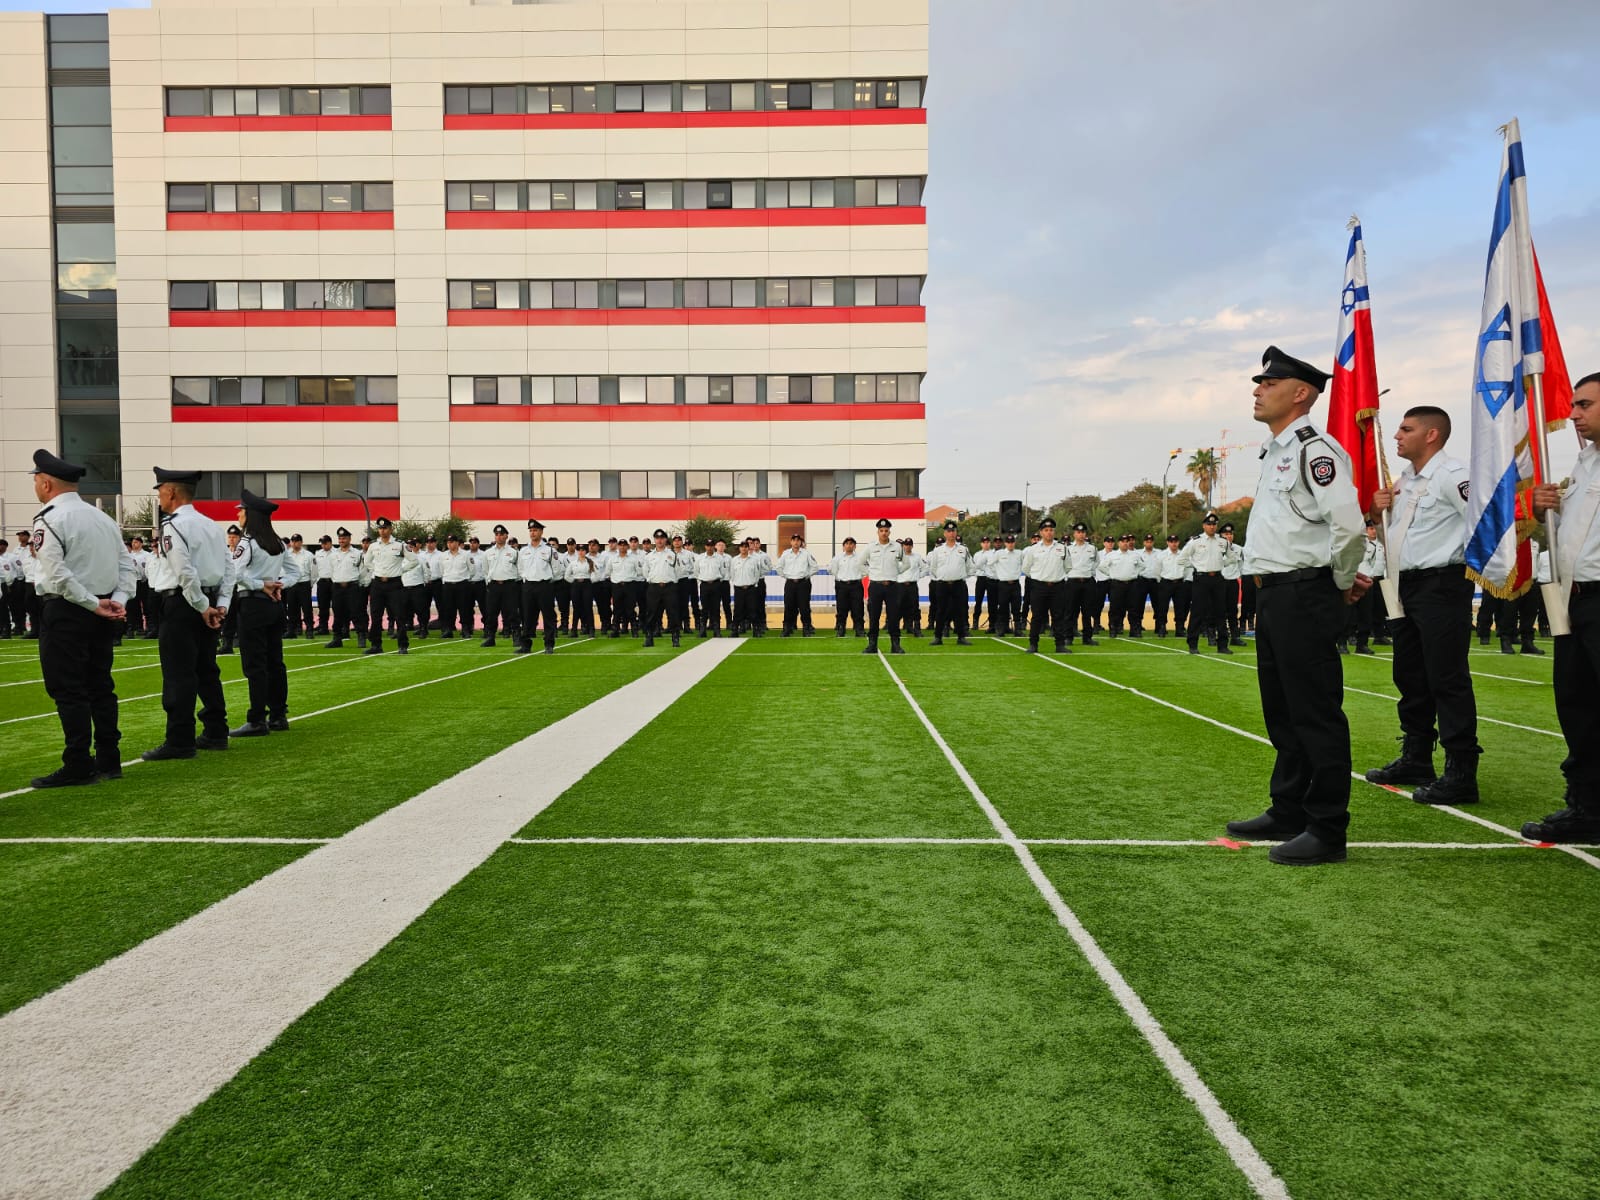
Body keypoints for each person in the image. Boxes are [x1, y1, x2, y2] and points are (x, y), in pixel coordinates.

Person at [1225, 346, 1368, 866]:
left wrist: (1341, 582)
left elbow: (1348, 526)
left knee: (1315, 713)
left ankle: (1327, 828)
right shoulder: (1277, 452)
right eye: (1259, 382)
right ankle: (1288, 807)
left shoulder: (1315, 450)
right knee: (1282, 711)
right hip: (1275, 594)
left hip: (1305, 592)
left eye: (1269, 381)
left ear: (1300, 393)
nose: (1258, 389)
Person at [1362, 406, 1480, 804]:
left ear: (1432, 435)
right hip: (1403, 585)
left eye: (1406, 429)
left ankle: (1461, 768)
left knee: (1446, 676)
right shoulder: (1405, 481)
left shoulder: (1452, 475)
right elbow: (1396, 536)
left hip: (1441, 583)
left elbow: (1481, 521)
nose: (1396, 435)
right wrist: (1381, 511)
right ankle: (1416, 755)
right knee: (1410, 674)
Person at [26, 449, 134, 788]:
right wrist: (115, 601)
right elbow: (126, 566)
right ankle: (109, 758)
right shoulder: (102, 518)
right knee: (100, 685)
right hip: (100, 611)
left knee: (69, 688)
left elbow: (56, 574)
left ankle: (78, 761)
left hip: (69, 610)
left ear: (45, 483)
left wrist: (92, 603)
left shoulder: (50, 518)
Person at [1525, 369, 1600, 841]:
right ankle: (1588, 806)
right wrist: (1541, 512)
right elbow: (1560, 540)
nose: (1573, 414)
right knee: (1579, 707)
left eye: (1585, 405)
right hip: (1574, 600)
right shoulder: (1585, 463)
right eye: (1573, 404)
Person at [143, 466, 236, 761]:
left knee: (178, 673)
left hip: (185, 604)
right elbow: (229, 569)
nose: (158, 496)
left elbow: (184, 571)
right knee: (207, 670)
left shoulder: (174, 526)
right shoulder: (211, 525)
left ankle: (180, 739)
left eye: (160, 490)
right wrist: (220, 605)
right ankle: (216, 731)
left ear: (170, 491)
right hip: (207, 600)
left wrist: (201, 606)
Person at [228, 489, 298, 736]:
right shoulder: (277, 542)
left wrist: (262, 585)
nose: (239, 514)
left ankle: (257, 718)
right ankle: (278, 715)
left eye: (242, 511)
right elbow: (294, 573)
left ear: (251, 515)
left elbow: (235, 573)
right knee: (275, 662)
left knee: (255, 664)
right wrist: (278, 585)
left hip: (253, 605)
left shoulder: (248, 542)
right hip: (274, 606)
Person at [1178, 513, 1232, 654]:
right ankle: (1193, 644)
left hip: (1218, 579)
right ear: (1204, 525)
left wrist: (1221, 564)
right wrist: (1196, 565)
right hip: (1201, 579)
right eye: (1209, 524)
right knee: (1197, 612)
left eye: (1214, 524)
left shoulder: (1223, 541)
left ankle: (1223, 645)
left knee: (1221, 612)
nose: (1212, 526)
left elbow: (1231, 558)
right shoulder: (1196, 541)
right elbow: (1181, 559)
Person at [1021, 517, 1071, 654]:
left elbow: (1068, 567)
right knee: (1037, 616)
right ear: (1041, 532)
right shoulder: (1033, 549)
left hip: (1057, 587)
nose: (1049, 533)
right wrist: (1039, 578)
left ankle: (1060, 645)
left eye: (1051, 530)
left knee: (1058, 616)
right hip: (1039, 587)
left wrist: (1056, 577)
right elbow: (1026, 568)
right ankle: (1033, 644)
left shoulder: (1062, 548)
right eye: (1046, 530)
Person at [925, 519, 974, 645]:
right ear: (944, 534)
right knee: (941, 610)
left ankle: (961, 637)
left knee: (960, 610)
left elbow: (970, 567)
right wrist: (942, 576)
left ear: (956, 533)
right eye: (948, 531)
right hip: (943, 584)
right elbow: (933, 568)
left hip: (958, 584)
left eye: (953, 531)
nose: (951, 533)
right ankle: (938, 637)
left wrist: (961, 575)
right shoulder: (938, 550)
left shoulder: (963, 549)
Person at [515, 518, 560, 654]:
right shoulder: (523, 550)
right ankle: (526, 645)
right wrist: (525, 578)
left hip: (544, 586)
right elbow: (520, 567)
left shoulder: (549, 550)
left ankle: (549, 644)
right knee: (527, 616)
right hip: (528, 586)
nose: (533, 533)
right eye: (531, 530)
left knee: (548, 616)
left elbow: (556, 569)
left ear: (541, 532)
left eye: (535, 530)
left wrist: (549, 581)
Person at [862, 518, 905, 655]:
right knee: (874, 616)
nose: (884, 533)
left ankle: (895, 645)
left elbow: (907, 563)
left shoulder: (897, 547)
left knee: (894, 616)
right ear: (878, 532)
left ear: (889, 532)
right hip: (876, 586)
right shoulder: (870, 547)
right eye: (881, 531)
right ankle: (872, 645)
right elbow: (860, 562)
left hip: (892, 586)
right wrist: (870, 573)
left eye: (886, 530)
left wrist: (896, 572)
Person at [1344, 520, 1386, 655]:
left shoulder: (1381, 544)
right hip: (1356, 579)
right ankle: (1342, 641)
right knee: (1349, 613)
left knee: (1366, 614)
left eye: (1375, 528)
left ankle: (1362, 644)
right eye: (1370, 528)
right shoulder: (1360, 543)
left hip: (1371, 580)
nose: (1373, 531)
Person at [322, 527, 367, 649]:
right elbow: (332, 570)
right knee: (337, 613)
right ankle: (337, 638)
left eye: (344, 538)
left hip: (352, 587)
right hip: (337, 587)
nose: (342, 540)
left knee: (356, 612)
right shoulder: (333, 555)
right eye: (340, 538)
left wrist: (360, 585)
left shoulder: (357, 554)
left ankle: (361, 636)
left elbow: (362, 571)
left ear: (349, 539)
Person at [479, 523, 519, 647]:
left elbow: (519, 569)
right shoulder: (488, 552)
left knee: (512, 612)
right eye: (496, 534)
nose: (499, 537)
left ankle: (516, 637)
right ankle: (491, 637)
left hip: (509, 585)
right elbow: (485, 570)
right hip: (494, 585)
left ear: (506, 536)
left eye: (501, 534)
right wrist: (489, 582)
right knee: (491, 612)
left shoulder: (514, 552)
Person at [643, 528, 682, 647]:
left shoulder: (672, 554)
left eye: (662, 538)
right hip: (654, 588)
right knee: (651, 613)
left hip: (669, 588)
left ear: (665, 540)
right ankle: (649, 637)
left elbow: (678, 571)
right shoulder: (649, 556)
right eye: (657, 538)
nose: (659, 541)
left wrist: (671, 581)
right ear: (655, 540)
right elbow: (645, 571)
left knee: (673, 613)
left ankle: (675, 638)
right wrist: (652, 580)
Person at [1061, 522, 1098, 646]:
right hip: (1073, 583)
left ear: (1085, 534)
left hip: (1087, 582)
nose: (1081, 534)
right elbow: (1064, 565)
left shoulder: (1092, 548)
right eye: (1078, 532)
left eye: (1083, 532)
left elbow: (1096, 563)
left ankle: (1087, 637)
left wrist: (1090, 574)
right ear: (1074, 534)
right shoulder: (1068, 548)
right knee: (1070, 612)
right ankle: (1068, 637)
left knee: (1087, 612)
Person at [777, 533, 819, 637]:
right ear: (791, 542)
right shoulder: (786, 554)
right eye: (794, 540)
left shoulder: (806, 554)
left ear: (801, 542)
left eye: (798, 540)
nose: (796, 542)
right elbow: (779, 567)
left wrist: (806, 575)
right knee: (789, 607)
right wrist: (786, 576)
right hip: (790, 583)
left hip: (803, 584)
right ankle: (786, 628)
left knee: (804, 607)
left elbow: (815, 567)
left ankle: (806, 628)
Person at [1103, 533, 1141, 637]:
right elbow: (1102, 567)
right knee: (1115, 608)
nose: (1125, 543)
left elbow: (1142, 566)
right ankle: (1113, 629)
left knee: (1133, 608)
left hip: (1132, 584)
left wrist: (1135, 574)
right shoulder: (1112, 555)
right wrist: (1111, 574)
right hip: (1117, 584)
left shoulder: (1135, 555)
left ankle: (1134, 630)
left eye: (1127, 541)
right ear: (1119, 543)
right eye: (1123, 541)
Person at [437, 532, 473, 637]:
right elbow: (441, 570)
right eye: (448, 542)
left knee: (464, 608)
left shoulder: (466, 554)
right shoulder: (443, 555)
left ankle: (465, 629)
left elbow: (472, 570)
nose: (450, 544)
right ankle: (448, 629)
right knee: (448, 608)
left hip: (462, 584)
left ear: (457, 543)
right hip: (448, 584)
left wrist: (465, 578)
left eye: (452, 542)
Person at [990, 532, 1025, 636]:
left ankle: (1018, 630)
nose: (1010, 544)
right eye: (1008, 542)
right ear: (1005, 543)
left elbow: (1026, 564)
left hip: (1015, 584)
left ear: (1015, 543)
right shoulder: (999, 554)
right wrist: (999, 573)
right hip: (1003, 584)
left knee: (1016, 607)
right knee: (1003, 607)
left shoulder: (1019, 553)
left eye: (1012, 542)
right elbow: (990, 564)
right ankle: (1002, 629)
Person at [695, 537, 731, 637]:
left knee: (715, 608)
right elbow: (696, 571)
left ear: (713, 546)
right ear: (705, 546)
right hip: (704, 585)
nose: (709, 548)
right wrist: (703, 580)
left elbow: (723, 572)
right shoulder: (700, 558)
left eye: (711, 545)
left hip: (716, 585)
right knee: (704, 608)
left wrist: (716, 580)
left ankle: (717, 630)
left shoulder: (719, 558)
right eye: (708, 545)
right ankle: (702, 630)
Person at [830, 537, 865, 638]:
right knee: (842, 609)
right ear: (843, 546)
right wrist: (841, 578)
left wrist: (858, 577)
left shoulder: (860, 557)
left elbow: (866, 570)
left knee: (858, 608)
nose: (849, 545)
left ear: (855, 546)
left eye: (851, 543)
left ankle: (859, 629)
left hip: (856, 585)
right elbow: (833, 570)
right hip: (842, 586)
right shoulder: (837, 558)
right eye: (847, 543)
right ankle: (841, 629)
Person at [281, 534, 315, 639]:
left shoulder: (308, 555)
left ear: (301, 542)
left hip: (304, 583)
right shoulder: (287, 555)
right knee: (291, 609)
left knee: (307, 608)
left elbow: (314, 572)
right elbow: (284, 570)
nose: (295, 543)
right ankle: (292, 630)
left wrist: (310, 584)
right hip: (292, 584)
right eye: (293, 541)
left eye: (297, 541)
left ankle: (309, 630)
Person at [729, 538, 764, 636]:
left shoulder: (754, 560)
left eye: (745, 547)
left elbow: (757, 574)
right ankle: (735, 630)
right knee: (738, 610)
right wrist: (737, 583)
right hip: (739, 589)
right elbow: (732, 574)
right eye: (742, 547)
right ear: (739, 548)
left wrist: (753, 583)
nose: (744, 549)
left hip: (751, 588)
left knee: (753, 609)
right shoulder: (734, 560)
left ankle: (756, 630)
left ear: (748, 548)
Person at [1219, 523, 1246, 646]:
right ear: (1221, 535)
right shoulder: (1216, 548)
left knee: (1233, 610)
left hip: (1233, 582)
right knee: (1220, 610)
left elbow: (1241, 567)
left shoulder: (1239, 549)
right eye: (1226, 534)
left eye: (1230, 534)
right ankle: (1221, 636)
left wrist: (1240, 577)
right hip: (1220, 582)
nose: (1229, 536)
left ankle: (1235, 636)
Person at [217, 524, 243, 655]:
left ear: (239, 538)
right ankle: (227, 643)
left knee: (240, 615)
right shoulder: (224, 552)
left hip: (241, 586)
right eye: (230, 537)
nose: (232, 539)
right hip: (228, 587)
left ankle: (239, 638)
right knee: (227, 615)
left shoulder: (243, 551)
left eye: (234, 537)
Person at [1154, 533, 1186, 637]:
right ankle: (1162, 627)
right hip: (1166, 583)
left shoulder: (1183, 554)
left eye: (1175, 541)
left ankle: (1180, 628)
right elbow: (1157, 570)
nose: (1174, 544)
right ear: (1167, 543)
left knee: (1180, 607)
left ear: (1178, 542)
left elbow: (1186, 569)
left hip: (1179, 583)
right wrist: (1161, 580)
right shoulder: (1162, 555)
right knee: (1162, 607)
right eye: (1171, 542)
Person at [897, 537, 926, 636]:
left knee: (914, 607)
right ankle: (897, 628)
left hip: (912, 586)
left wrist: (918, 576)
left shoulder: (917, 557)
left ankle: (917, 629)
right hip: (900, 586)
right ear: (903, 546)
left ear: (912, 546)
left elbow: (925, 568)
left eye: (909, 545)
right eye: (906, 545)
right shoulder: (898, 557)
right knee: (899, 607)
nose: (907, 547)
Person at [567, 542, 596, 636]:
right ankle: (574, 630)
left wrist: (588, 580)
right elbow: (567, 576)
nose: (581, 552)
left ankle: (591, 629)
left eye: (583, 550)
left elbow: (595, 575)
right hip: (576, 585)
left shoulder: (590, 562)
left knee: (588, 607)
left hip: (587, 584)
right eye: (579, 550)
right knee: (576, 608)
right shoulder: (573, 563)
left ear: (585, 552)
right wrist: (575, 581)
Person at [971, 535, 994, 631]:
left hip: (990, 578)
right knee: (978, 601)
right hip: (980, 579)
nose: (986, 544)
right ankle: (975, 622)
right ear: (981, 544)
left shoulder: (993, 553)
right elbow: (975, 566)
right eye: (984, 542)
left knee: (992, 602)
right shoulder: (977, 554)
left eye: (988, 542)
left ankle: (992, 623)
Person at [313, 534, 334, 634]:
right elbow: (315, 568)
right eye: (322, 543)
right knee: (323, 606)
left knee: (338, 606)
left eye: (325, 543)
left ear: (330, 543)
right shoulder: (317, 554)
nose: (323, 545)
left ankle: (340, 626)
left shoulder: (336, 552)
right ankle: (323, 627)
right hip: (322, 582)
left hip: (334, 581)